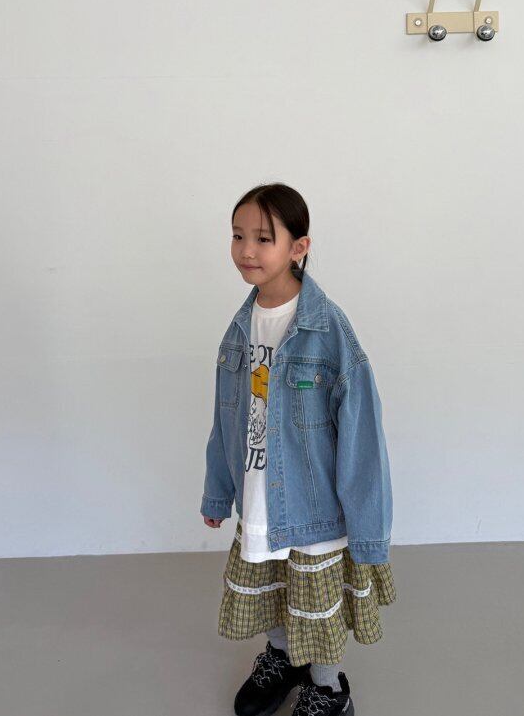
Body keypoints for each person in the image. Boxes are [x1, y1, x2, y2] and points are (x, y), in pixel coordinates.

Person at [201, 183, 396, 716]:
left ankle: (328, 688)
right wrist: (218, 492)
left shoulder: (328, 330)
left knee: (315, 604)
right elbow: (225, 419)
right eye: (238, 236)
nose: (247, 250)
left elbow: (362, 435)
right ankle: (283, 661)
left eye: (264, 238)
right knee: (270, 583)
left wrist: (368, 525)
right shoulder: (238, 330)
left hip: (315, 507)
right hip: (259, 493)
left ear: (299, 247)